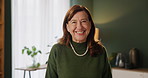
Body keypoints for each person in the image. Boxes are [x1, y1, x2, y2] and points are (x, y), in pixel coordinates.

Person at [45, 5, 112, 78]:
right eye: (74, 22)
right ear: (67, 27)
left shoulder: (100, 51)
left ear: (90, 24)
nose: (79, 27)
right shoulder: (57, 51)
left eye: (83, 21)